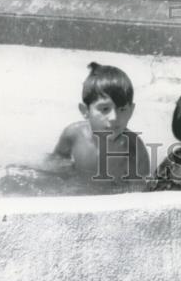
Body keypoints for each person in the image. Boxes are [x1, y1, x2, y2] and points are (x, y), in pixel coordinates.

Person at [49, 61, 150, 190]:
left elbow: (141, 189)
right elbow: (55, 165)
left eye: (122, 109)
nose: (114, 118)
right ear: (85, 111)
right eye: (104, 109)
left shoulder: (133, 147)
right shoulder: (73, 134)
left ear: (131, 110)